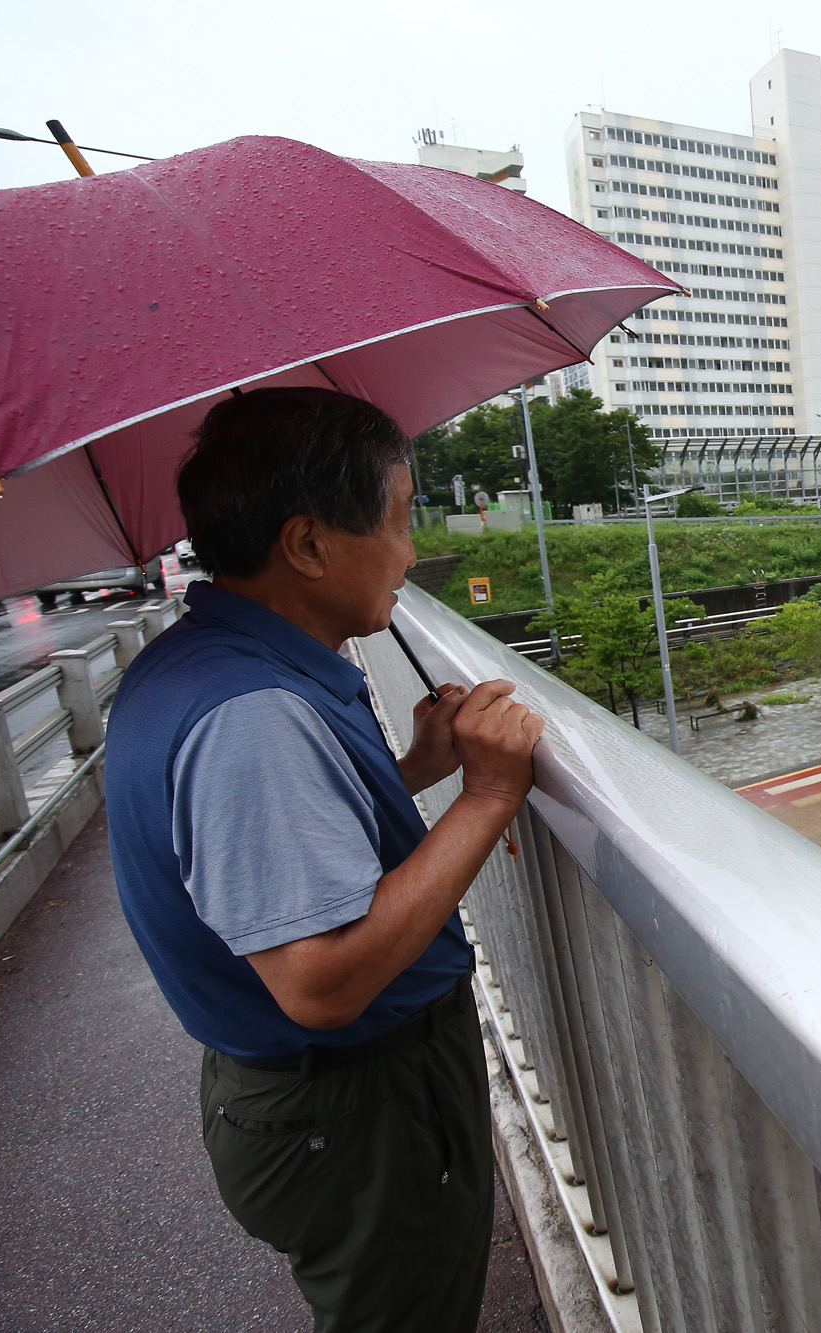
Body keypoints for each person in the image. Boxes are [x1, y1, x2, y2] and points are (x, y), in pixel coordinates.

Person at [106, 387, 544, 1332]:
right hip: (352, 1111)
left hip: (310, 1103)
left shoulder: (203, 665)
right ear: (307, 544)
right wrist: (487, 795)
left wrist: (412, 770)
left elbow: (280, 848)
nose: (412, 552)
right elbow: (321, 981)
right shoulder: (251, 717)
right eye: (399, 520)